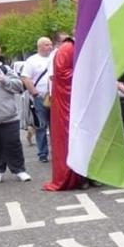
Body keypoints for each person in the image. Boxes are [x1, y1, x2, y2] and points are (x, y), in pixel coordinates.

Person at [43, 35, 85, 191]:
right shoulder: (67, 48)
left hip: (82, 100)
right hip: (69, 102)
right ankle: (76, 176)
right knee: (71, 137)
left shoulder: (79, 45)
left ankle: (87, 175)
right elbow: (61, 74)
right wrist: (88, 73)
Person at [0, 46, 31, 184]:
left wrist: (5, 81)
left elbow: (20, 86)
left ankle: (19, 170)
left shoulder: (5, 69)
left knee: (12, 143)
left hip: (9, 116)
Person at [20, 37, 55, 163]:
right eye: (47, 45)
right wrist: (35, 93)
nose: (50, 47)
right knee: (41, 126)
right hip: (40, 97)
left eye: (51, 44)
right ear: (39, 46)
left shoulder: (55, 58)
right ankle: (43, 154)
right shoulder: (32, 60)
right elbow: (25, 78)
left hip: (55, 97)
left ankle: (56, 152)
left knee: (55, 126)